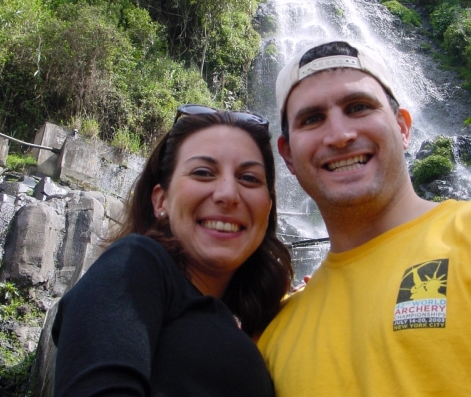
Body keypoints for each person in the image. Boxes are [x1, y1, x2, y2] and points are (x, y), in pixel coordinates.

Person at [257, 39, 471, 396]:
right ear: (287, 156)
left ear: (403, 127)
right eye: (312, 118)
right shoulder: (272, 337)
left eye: (359, 107)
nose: (339, 135)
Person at [52, 105, 293, 396]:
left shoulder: (248, 322)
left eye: (250, 178)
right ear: (161, 201)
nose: (228, 194)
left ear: (268, 207)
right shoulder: (135, 264)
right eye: (203, 173)